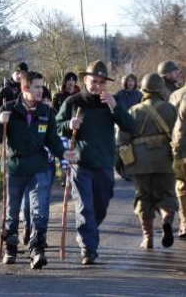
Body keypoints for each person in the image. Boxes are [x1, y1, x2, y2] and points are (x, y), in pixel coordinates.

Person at [0, 71, 77, 269]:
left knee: (39, 210)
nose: (41, 90)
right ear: (25, 88)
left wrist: (64, 153)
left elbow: (52, 140)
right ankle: (10, 247)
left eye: (41, 87)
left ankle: (37, 249)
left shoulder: (46, 113)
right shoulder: (8, 109)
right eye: (36, 87)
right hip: (14, 168)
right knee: (12, 212)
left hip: (39, 167)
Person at [55, 60, 135, 265]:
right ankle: (88, 249)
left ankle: (88, 231)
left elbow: (129, 126)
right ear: (85, 80)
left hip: (105, 164)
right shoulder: (73, 102)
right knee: (84, 207)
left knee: (100, 205)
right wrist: (68, 124)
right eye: (94, 81)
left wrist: (115, 107)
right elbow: (55, 127)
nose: (97, 85)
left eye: (101, 82)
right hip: (81, 164)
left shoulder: (112, 101)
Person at [118, 72, 178, 249]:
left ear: (143, 89)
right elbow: (180, 134)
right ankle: (166, 221)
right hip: (166, 161)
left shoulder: (134, 111)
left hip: (140, 163)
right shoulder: (170, 109)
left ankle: (148, 237)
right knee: (167, 195)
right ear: (160, 89)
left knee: (143, 198)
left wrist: (122, 163)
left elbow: (122, 138)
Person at [20, 86, 56, 246]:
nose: (46, 103)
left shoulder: (53, 117)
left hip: (47, 166)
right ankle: (28, 226)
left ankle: (40, 233)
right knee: (27, 202)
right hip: (28, 165)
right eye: (43, 101)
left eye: (48, 101)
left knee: (43, 201)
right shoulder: (31, 117)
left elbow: (59, 142)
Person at [53, 72, 80, 186]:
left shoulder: (79, 96)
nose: (70, 85)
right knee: (64, 154)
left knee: (74, 154)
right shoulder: (58, 96)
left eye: (72, 83)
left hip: (76, 129)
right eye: (68, 83)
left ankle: (74, 175)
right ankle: (65, 176)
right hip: (63, 128)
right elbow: (54, 112)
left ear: (75, 83)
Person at [114, 73, 142, 180]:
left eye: (132, 81)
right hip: (121, 126)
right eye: (128, 80)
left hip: (135, 124)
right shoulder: (119, 94)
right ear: (124, 82)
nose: (130, 83)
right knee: (120, 150)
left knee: (134, 149)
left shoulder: (139, 95)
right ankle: (122, 170)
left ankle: (131, 171)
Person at [170, 85, 186, 239]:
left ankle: (184, 223)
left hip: (183, 149)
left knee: (182, 186)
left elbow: (177, 127)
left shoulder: (177, 95)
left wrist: (176, 152)